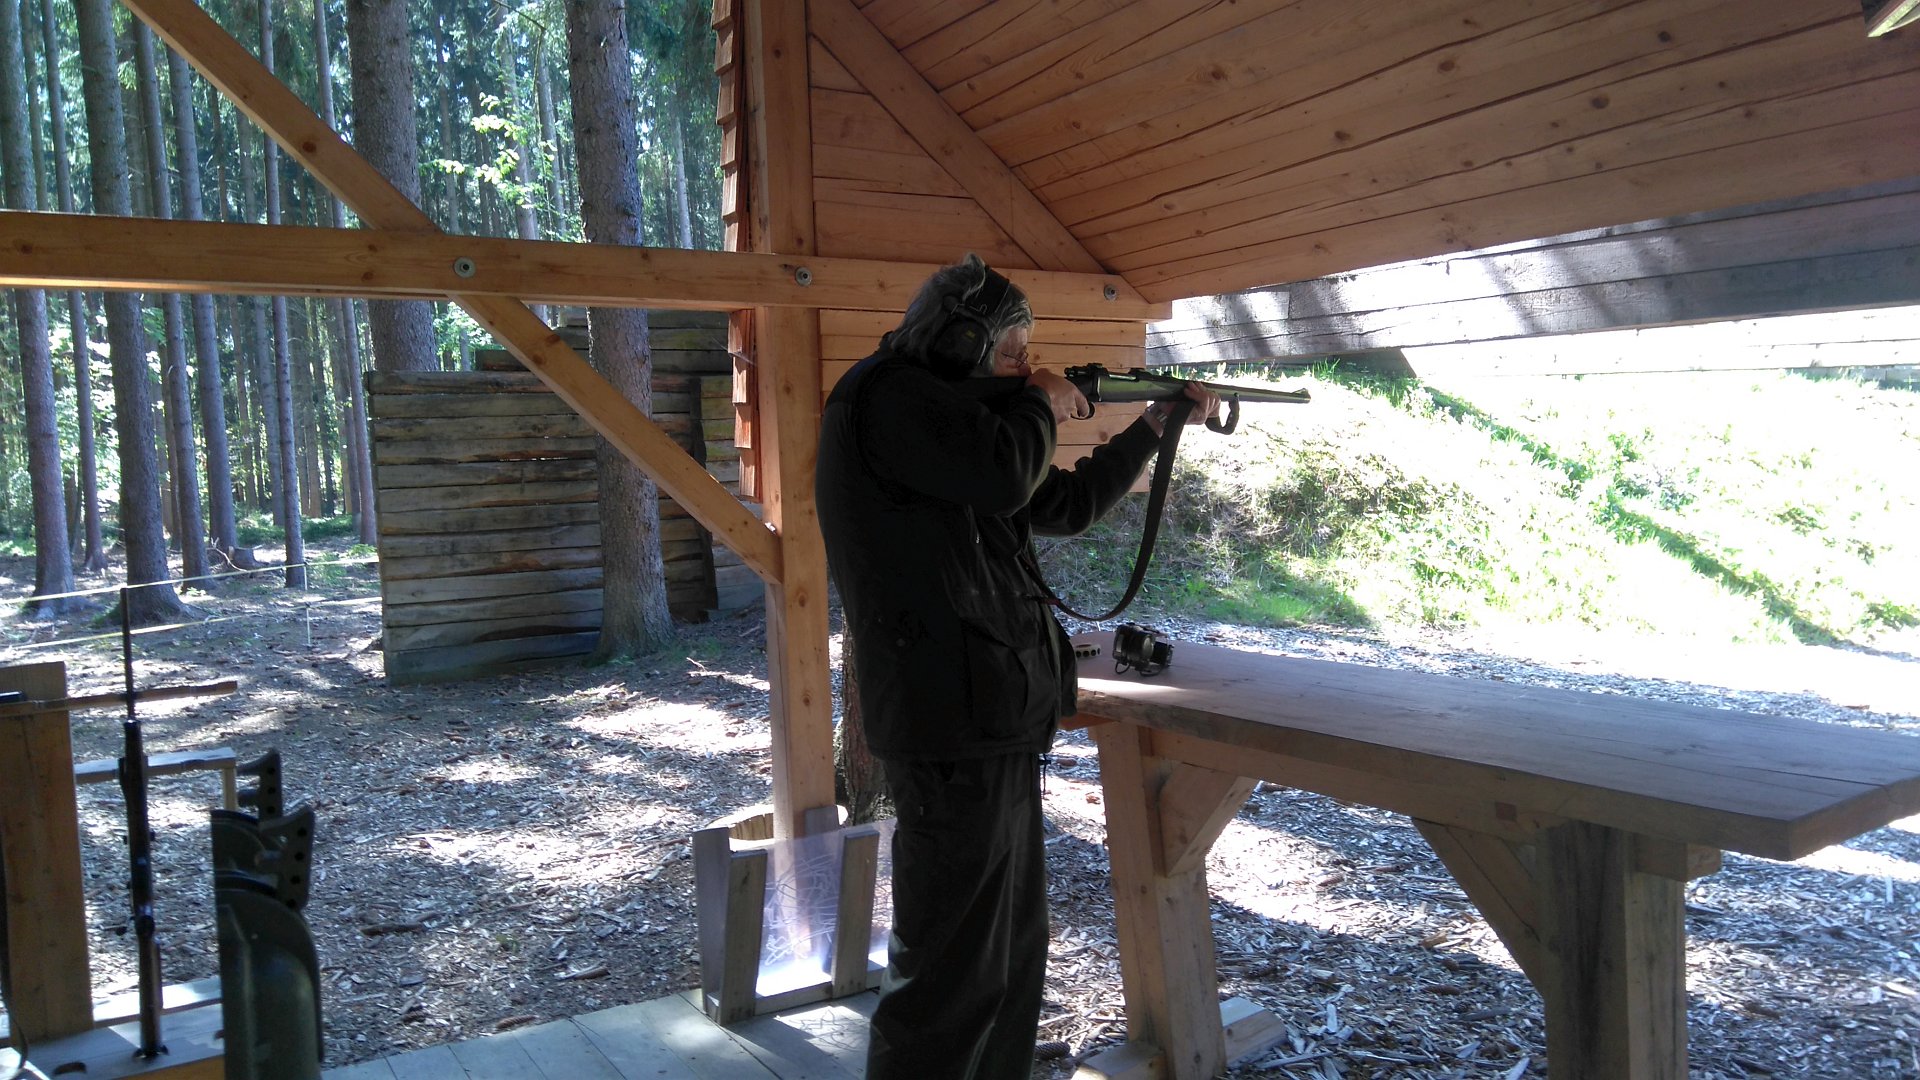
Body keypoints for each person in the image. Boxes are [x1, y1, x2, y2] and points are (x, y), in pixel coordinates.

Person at [815, 254, 1219, 1079]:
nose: (1024, 366)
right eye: (1009, 352)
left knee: (1007, 950)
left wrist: (1152, 425)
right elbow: (1004, 474)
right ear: (958, 340)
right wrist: (1040, 400)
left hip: (988, 715)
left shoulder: (951, 425)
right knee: (949, 969)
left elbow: (1062, 504)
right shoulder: (889, 398)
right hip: (948, 720)